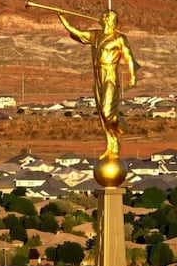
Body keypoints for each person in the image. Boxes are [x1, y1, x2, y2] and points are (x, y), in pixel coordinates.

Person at [58, 9, 138, 160]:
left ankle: (120, 125)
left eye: (104, 16)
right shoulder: (95, 35)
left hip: (110, 75)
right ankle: (111, 145)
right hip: (97, 75)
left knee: (107, 110)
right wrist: (63, 19)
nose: (100, 18)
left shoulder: (119, 38)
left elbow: (128, 57)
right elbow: (77, 32)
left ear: (109, 20)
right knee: (101, 113)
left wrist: (132, 76)